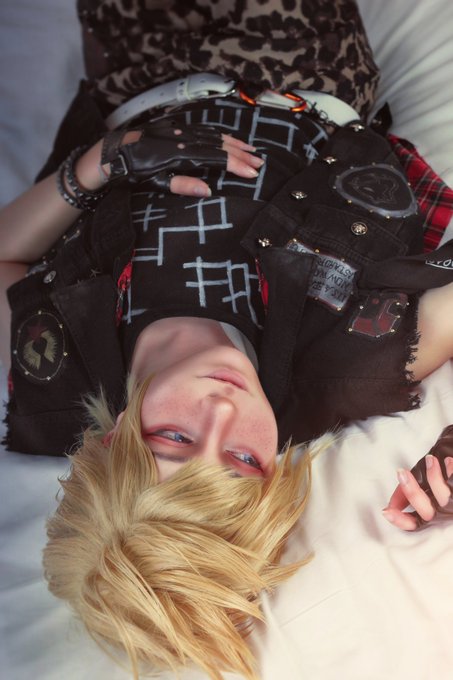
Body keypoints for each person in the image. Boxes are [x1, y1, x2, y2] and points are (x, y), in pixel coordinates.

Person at [1, 0, 453, 677]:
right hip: (297, 66)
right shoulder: (338, 369)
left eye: (173, 439)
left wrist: (105, 161)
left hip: (133, 79)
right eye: (243, 458)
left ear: (114, 436)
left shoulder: (59, 368)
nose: (220, 410)